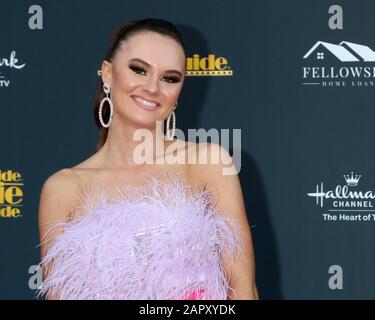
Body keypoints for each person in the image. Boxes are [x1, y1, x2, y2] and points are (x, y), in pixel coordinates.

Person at [37, 18, 259, 300]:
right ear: (107, 74)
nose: (153, 87)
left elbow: (243, 290)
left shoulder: (207, 163)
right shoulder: (63, 189)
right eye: (139, 70)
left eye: (170, 78)